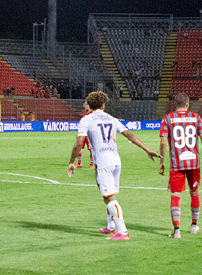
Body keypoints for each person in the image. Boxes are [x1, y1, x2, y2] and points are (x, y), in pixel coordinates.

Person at [67, 91, 161, 241]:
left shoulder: (86, 120)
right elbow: (129, 135)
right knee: (110, 196)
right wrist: (147, 149)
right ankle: (111, 227)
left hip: (103, 163)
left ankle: (123, 232)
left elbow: (79, 143)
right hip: (116, 161)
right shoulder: (112, 119)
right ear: (103, 105)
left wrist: (72, 162)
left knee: (110, 198)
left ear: (89, 105)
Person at [159, 93, 202, 238]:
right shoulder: (196, 117)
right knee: (194, 192)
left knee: (175, 195)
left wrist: (161, 162)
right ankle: (194, 226)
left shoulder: (167, 118)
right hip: (193, 162)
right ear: (187, 104)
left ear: (175, 104)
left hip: (176, 163)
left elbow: (163, 142)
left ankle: (176, 231)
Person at [76, 102, 94, 169]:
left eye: (88, 104)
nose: (87, 106)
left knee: (91, 149)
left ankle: (91, 164)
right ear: (84, 105)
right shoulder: (82, 113)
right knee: (78, 147)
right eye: (86, 104)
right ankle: (79, 163)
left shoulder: (92, 113)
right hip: (82, 133)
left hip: (89, 133)